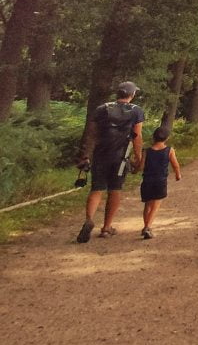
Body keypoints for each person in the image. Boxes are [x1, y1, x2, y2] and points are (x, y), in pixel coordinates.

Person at [76, 81, 144, 242]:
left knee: (97, 189)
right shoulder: (136, 111)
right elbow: (137, 136)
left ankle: (89, 219)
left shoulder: (102, 109)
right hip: (120, 158)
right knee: (115, 189)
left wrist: (86, 155)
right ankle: (106, 227)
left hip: (100, 155)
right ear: (132, 95)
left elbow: (91, 134)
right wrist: (138, 157)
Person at [139, 126, 182, 239]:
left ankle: (145, 225)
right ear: (167, 138)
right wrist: (178, 175)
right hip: (160, 181)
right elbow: (175, 165)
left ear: (153, 137)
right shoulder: (169, 150)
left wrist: (134, 166)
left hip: (147, 180)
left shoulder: (146, 151)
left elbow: (141, 166)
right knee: (155, 206)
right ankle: (148, 227)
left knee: (147, 205)